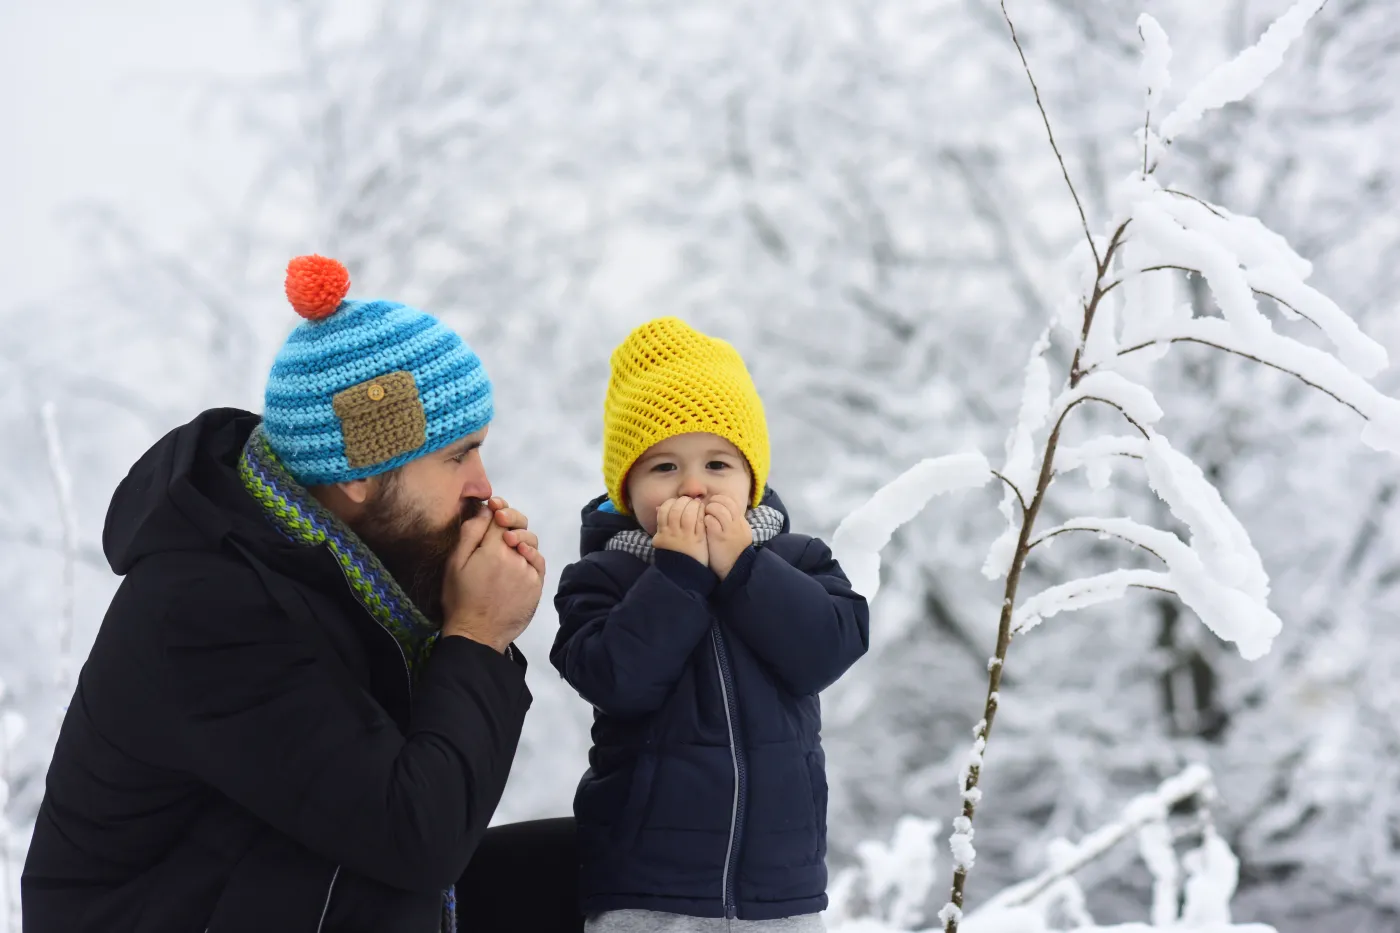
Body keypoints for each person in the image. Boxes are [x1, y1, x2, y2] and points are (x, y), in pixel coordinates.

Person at [21, 255, 582, 933]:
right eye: (457, 455)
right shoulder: (209, 608)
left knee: (596, 862)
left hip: (279, 886)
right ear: (359, 478)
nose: (484, 487)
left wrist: (457, 613)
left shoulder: (333, 569)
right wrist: (477, 636)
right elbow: (417, 833)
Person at [551, 317, 871, 932]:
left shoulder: (798, 561)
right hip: (647, 884)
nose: (694, 486)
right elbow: (618, 679)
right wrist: (676, 575)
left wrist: (744, 567)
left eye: (718, 464)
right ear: (627, 486)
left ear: (752, 477)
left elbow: (828, 650)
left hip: (780, 887)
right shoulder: (605, 577)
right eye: (664, 468)